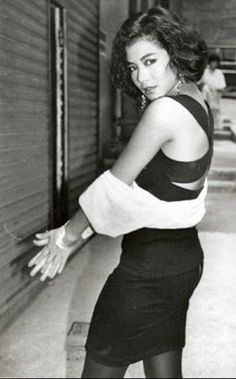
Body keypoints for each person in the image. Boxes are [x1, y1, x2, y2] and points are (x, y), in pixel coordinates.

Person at [28, 6, 214, 378]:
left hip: (148, 269)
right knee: (163, 367)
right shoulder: (196, 99)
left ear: (173, 51)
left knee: (100, 365)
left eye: (150, 61)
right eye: (133, 67)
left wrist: (66, 237)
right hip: (182, 260)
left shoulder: (164, 112)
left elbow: (113, 188)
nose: (142, 77)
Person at [199, 53, 226, 129]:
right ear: (210, 62)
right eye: (213, 62)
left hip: (216, 95)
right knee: (206, 88)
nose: (214, 64)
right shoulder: (205, 72)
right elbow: (199, 83)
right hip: (206, 95)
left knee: (215, 112)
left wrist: (218, 90)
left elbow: (223, 86)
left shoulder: (219, 73)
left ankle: (216, 126)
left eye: (216, 62)